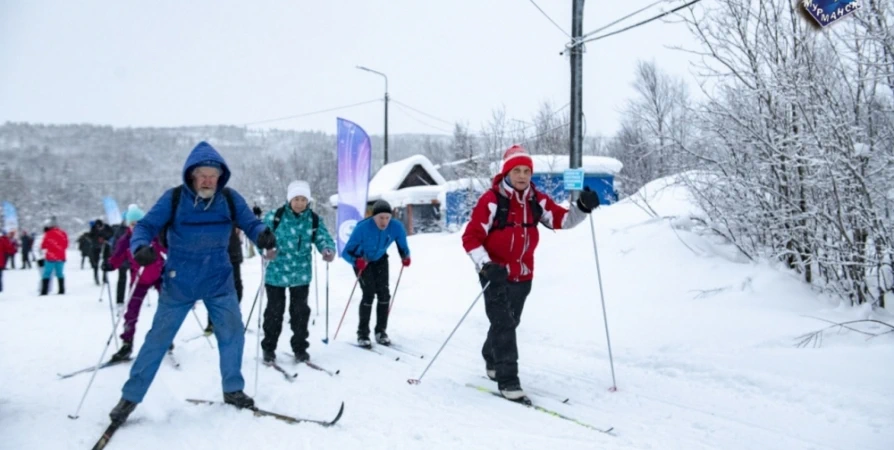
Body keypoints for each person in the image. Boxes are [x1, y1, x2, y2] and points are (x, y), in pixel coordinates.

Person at [107, 141, 277, 426]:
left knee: (232, 334)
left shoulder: (230, 199)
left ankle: (233, 390)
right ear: (191, 176)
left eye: (213, 175)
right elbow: (146, 226)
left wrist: (262, 234)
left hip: (219, 280)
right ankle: (130, 397)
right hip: (179, 282)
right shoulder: (174, 198)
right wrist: (139, 248)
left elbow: (250, 223)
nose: (209, 180)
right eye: (203, 175)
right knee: (157, 340)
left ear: (220, 177)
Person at [461, 144, 601, 401]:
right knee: (504, 325)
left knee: (510, 322)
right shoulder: (491, 201)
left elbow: (562, 220)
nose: (523, 176)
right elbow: (471, 238)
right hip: (494, 273)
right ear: (507, 172)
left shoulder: (537, 199)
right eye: (517, 170)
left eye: (527, 171)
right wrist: (485, 265)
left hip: (523, 274)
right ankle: (509, 381)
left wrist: (582, 207)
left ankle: (491, 357)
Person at [260, 181, 336, 363]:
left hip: (301, 274)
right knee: (274, 313)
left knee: (300, 313)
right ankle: (269, 348)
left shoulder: (313, 219)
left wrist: (327, 249)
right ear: (289, 199)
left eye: (303, 199)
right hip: (276, 274)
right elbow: (260, 236)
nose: (300, 203)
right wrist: (265, 251)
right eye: (296, 199)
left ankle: (300, 348)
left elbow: (323, 237)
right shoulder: (275, 217)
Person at [340, 199, 411, 348]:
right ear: (373, 217)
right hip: (362, 260)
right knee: (368, 293)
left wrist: (405, 256)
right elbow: (346, 252)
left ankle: (380, 331)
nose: (384, 221)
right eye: (381, 218)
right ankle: (362, 334)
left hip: (380, 259)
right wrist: (356, 261)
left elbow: (403, 246)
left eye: (387, 217)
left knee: (384, 294)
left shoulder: (396, 227)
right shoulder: (362, 228)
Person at [102, 206, 166, 362]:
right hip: (139, 278)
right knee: (131, 312)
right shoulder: (125, 240)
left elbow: (168, 248)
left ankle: (165, 337)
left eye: (139, 223)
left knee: (167, 307)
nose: (136, 227)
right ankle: (127, 343)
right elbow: (117, 257)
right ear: (128, 225)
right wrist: (110, 264)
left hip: (159, 275)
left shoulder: (153, 234)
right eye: (132, 224)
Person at [204, 227, 244, 334]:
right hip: (213, 254)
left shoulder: (233, 211)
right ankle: (213, 321)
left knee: (236, 289)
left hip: (233, 254)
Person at [40, 218, 69, 296]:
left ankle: (44, 291)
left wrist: (51, 247)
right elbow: (66, 245)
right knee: (60, 273)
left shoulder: (48, 233)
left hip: (50, 257)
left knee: (47, 273)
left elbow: (43, 245)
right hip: (60, 257)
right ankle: (61, 290)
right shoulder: (63, 233)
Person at [89, 219, 113, 285]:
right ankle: (96, 277)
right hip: (96, 247)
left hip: (106, 246)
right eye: (97, 227)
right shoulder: (93, 228)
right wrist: (97, 238)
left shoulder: (107, 227)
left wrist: (105, 237)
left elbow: (111, 233)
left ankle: (104, 277)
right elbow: (91, 236)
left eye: (100, 227)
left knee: (105, 262)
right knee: (96, 263)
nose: (99, 228)